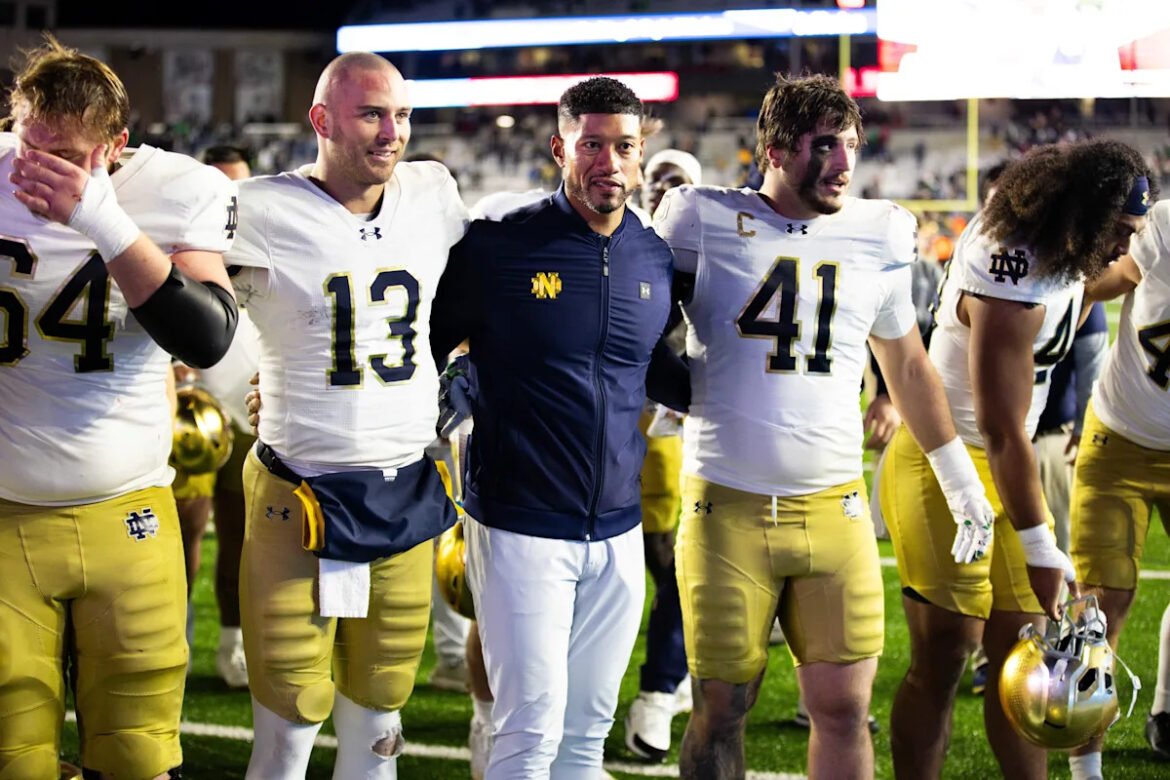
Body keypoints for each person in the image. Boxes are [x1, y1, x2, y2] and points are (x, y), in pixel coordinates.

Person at [653, 72, 995, 780]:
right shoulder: (698, 219)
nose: (844, 163)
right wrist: (671, 389)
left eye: (851, 146)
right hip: (727, 505)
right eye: (825, 146)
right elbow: (639, 327)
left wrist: (961, 482)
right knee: (722, 706)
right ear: (775, 150)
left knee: (843, 706)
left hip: (835, 506)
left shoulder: (878, 231)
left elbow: (908, 367)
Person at [429, 76, 685, 780]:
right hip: (520, 522)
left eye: (624, 146)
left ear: (641, 153)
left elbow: (648, 365)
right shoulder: (499, 246)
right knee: (527, 734)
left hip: (620, 528)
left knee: (585, 737)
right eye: (591, 145)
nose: (609, 162)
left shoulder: (652, 255)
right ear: (559, 149)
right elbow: (422, 344)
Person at [0, 38, 239, 780]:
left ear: (116, 145)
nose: (40, 170)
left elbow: (207, 338)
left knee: (138, 754)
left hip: (128, 508)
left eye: (67, 156)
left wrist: (103, 221)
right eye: (29, 146)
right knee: (13, 757)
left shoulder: (174, 188)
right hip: (5, 513)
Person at [879, 139, 1153, 780]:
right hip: (945, 460)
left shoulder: (1066, 247)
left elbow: (1106, 281)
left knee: (1026, 657)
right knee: (946, 657)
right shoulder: (1011, 269)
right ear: (1085, 216)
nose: (1124, 245)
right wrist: (1039, 544)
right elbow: (1000, 428)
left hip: (1007, 458)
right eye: (1120, 230)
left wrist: (1149, 259)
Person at [227, 52, 468, 779]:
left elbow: (464, 296)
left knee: (380, 722)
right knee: (288, 728)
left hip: (405, 487)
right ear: (321, 120)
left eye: (401, 114)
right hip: (297, 489)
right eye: (371, 114)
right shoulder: (259, 208)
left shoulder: (431, 192)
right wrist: (245, 382)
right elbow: (194, 311)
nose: (392, 132)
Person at [1067, 196, 1169, 780]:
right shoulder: (1165, 227)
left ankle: (1165, 710)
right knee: (1101, 607)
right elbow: (1096, 287)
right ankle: (1086, 766)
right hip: (1120, 438)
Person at [624, 148, 702, 762]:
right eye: (655, 179)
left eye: (676, 181)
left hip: (679, 428)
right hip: (617, 424)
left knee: (674, 564)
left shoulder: (708, 250)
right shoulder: (620, 239)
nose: (662, 188)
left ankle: (661, 684)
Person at [172, 143, 258, 689]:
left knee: (241, 540)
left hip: (246, 413)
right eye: (220, 183)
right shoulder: (178, 240)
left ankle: (233, 645)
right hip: (191, 411)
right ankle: (172, 642)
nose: (230, 194)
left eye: (238, 185)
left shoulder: (263, 244)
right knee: (182, 537)